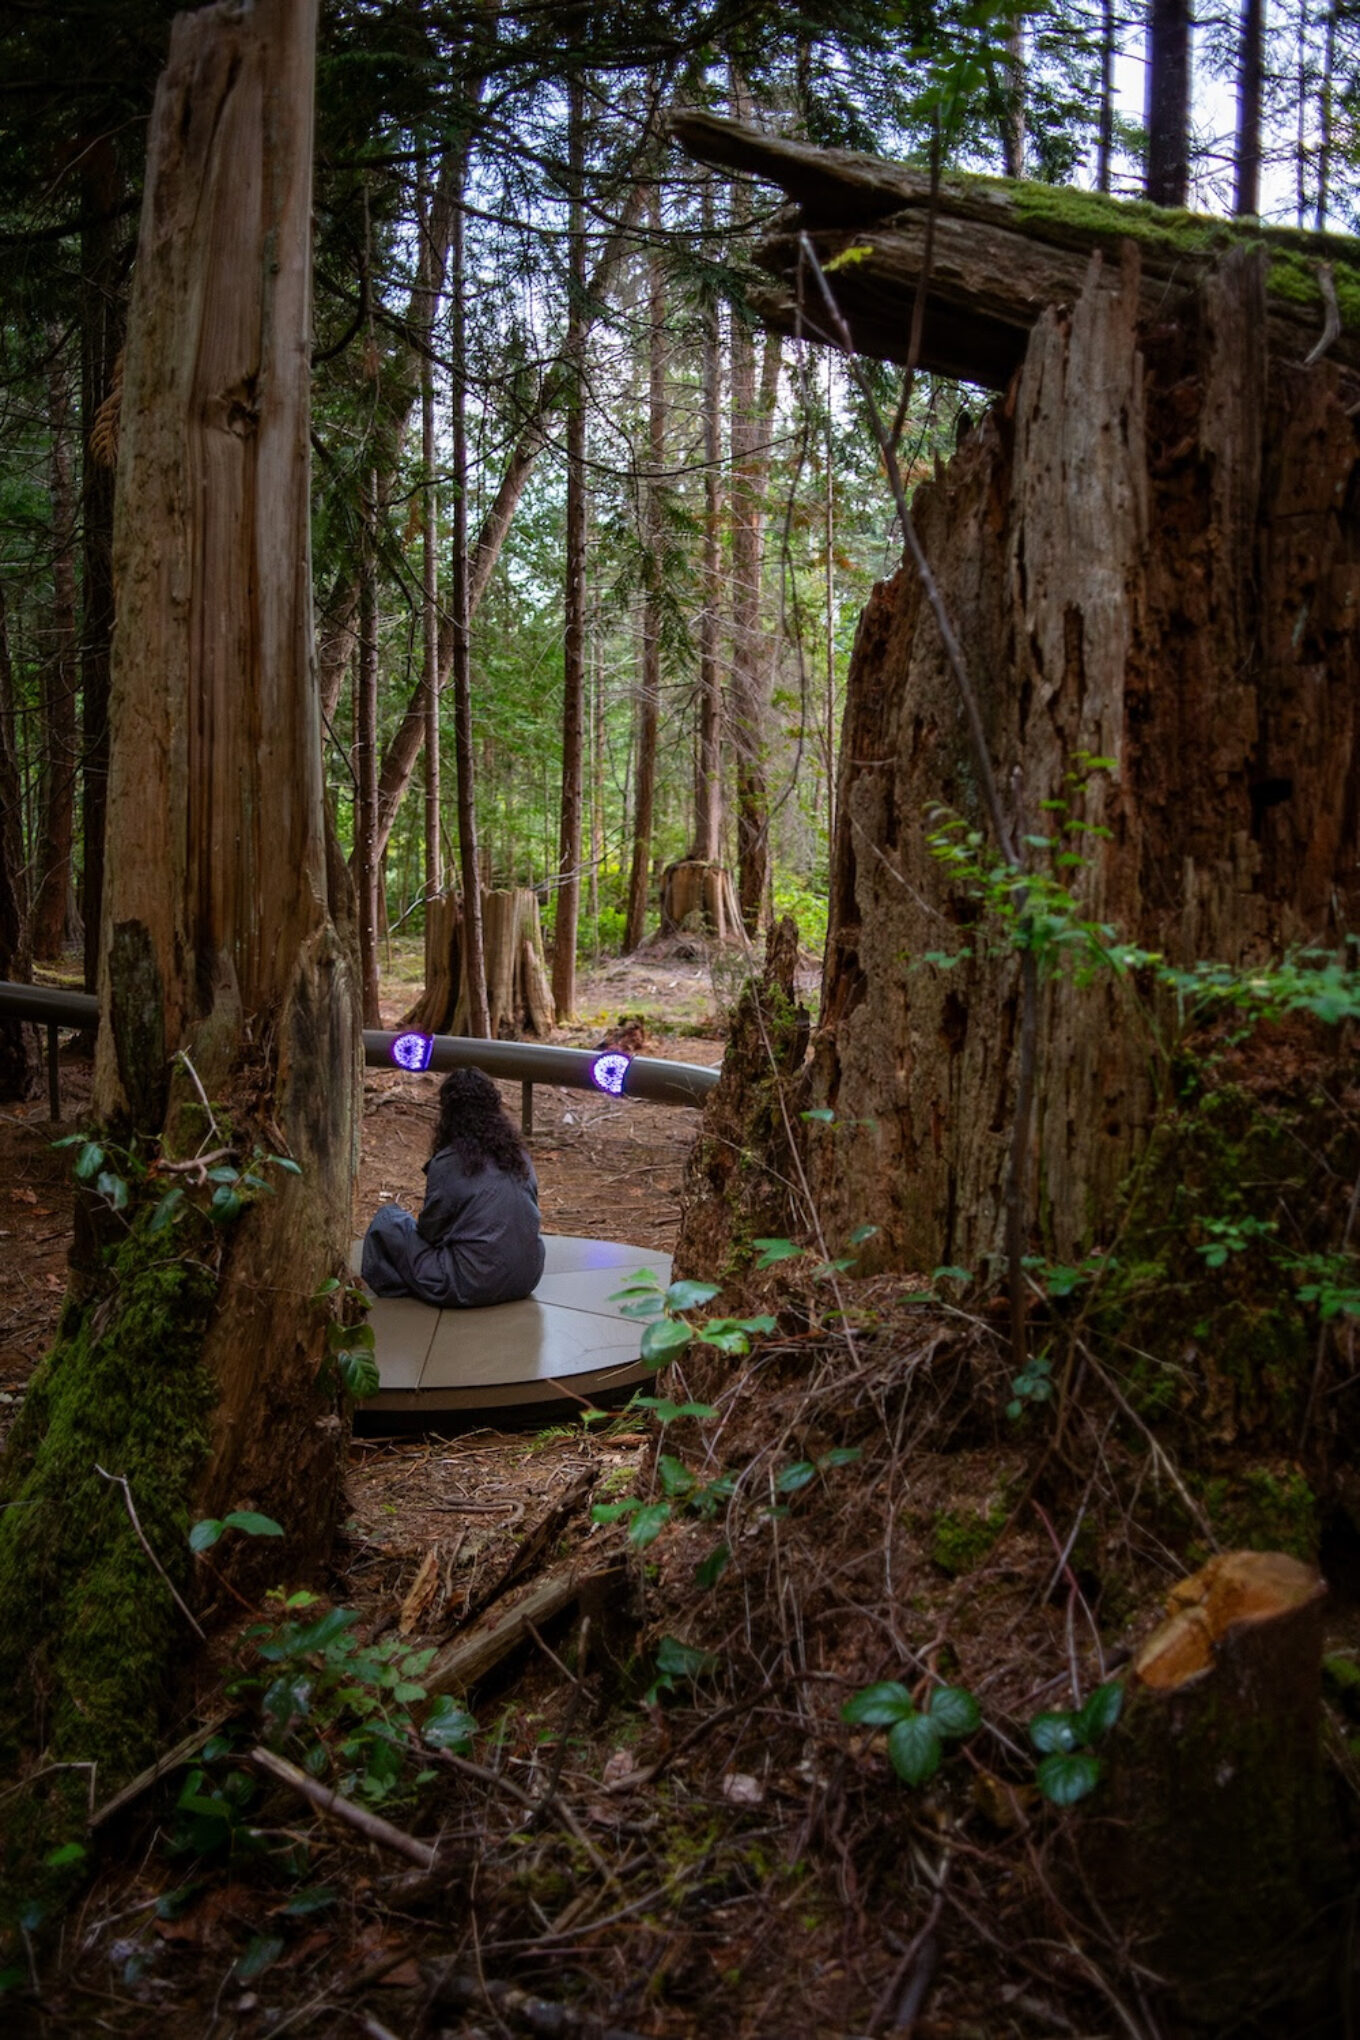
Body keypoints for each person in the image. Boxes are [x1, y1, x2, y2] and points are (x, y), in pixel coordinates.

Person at [361, 1066, 545, 1307]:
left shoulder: (449, 1163)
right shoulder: (519, 1155)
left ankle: (403, 1287)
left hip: (469, 1284)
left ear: (448, 1113)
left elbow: (430, 1232)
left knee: (387, 1219)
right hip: (528, 1277)